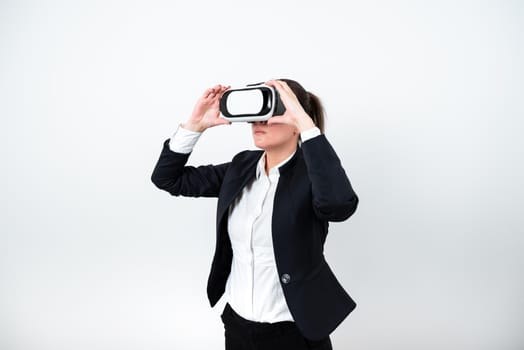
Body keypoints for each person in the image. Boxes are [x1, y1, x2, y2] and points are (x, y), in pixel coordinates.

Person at [151, 79, 359, 350]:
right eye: (256, 115)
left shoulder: (315, 177)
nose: (259, 122)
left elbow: (340, 206)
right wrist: (196, 124)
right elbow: (168, 179)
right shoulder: (241, 167)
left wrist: (308, 126)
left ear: (296, 120)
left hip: (294, 330)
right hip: (238, 327)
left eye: (272, 114)